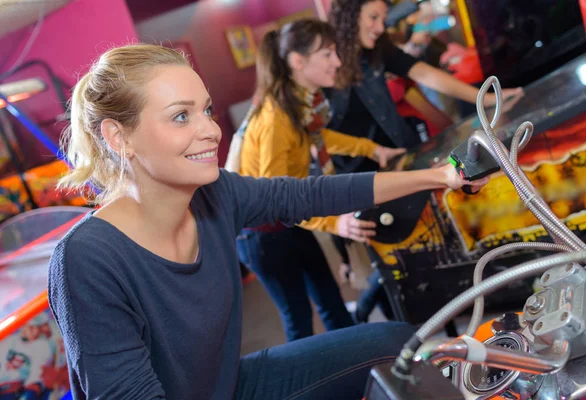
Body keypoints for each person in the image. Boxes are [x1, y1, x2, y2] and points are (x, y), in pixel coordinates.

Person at [47, 43, 488, 399]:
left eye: (206, 111)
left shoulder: (216, 193)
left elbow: (308, 194)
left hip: (233, 386)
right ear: (118, 137)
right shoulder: (88, 260)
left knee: (398, 344)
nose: (211, 130)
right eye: (181, 116)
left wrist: (439, 177)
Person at [325, 0, 522, 323]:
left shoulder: (378, 49)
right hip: (359, 176)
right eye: (372, 17)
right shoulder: (326, 61)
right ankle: (376, 322)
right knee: (387, 258)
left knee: (407, 247)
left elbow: (427, 74)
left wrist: (486, 99)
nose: (379, 26)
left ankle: (400, 320)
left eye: (383, 19)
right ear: (349, 15)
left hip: (399, 160)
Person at [237, 19, 405, 342]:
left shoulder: (299, 104)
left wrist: (373, 148)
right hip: (262, 234)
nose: (338, 62)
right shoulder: (276, 118)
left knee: (332, 304)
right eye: (327, 54)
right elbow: (277, 197)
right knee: (299, 320)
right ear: (298, 62)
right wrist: (333, 223)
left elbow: (320, 136)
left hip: (289, 222)